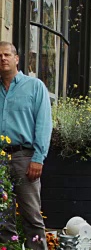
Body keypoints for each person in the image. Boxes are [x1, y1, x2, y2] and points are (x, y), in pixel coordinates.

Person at [0, 41, 52, 250]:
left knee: (31, 215)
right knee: (3, 215)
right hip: (0, 158)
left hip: (24, 157)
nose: (2, 59)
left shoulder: (34, 86)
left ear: (16, 59)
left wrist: (38, 157)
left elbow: (44, 123)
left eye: (6, 55)